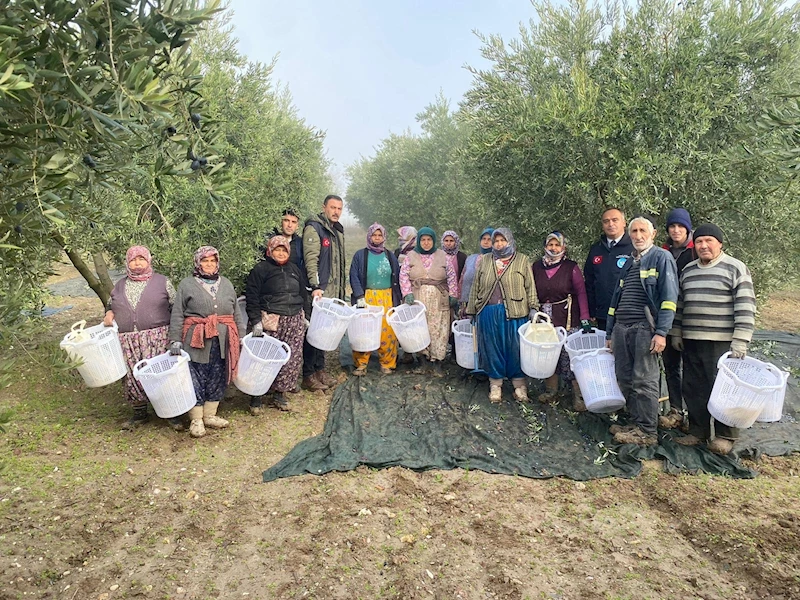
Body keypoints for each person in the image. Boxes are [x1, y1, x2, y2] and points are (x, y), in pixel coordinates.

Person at [671, 223, 756, 455]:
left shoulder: (735, 268)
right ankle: (698, 431)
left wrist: (740, 341)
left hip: (722, 342)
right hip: (692, 339)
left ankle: (725, 435)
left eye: (709, 241)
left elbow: (746, 309)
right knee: (694, 387)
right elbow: (679, 306)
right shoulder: (688, 270)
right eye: (699, 241)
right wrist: (677, 333)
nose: (704, 245)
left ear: (720, 243)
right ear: (694, 245)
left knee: (723, 390)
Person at [605, 217, 678, 447]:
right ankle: (636, 424)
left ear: (653, 233)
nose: (638, 235)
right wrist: (609, 333)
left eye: (642, 230)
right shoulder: (629, 262)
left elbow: (669, 299)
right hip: (622, 328)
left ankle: (647, 432)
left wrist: (662, 332)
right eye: (634, 231)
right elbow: (616, 299)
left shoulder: (661, 257)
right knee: (625, 378)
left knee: (644, 381)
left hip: (645, 328)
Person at [103, 245, 180, 430]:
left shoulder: (163, 282)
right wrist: (109, 314)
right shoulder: (119, 285)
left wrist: (175, 335)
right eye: (133, 260)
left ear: (148, 260)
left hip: (158, 338)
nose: (137, 263)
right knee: (132, 376)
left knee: (161, 374)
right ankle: (140, 414)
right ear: (127, 263)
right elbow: (109, 306)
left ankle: (171, 414)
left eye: (141, 259)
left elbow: (176, 308)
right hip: (129, 341)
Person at [169, 246, 241, 438]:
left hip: (223, 338)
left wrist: (241, 335)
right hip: (196, 338)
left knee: (218, 374)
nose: (209, 264)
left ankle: (210, 415)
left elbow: (236, 312)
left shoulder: (226, 283)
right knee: (196, 375)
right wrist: (175, 339)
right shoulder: (186, 285)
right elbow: (177, 313)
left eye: (212, 261)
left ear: (217, 263)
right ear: (198, 263)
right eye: (205, 261)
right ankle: (196, 419)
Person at [466, 228, 538, 403]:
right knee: (492, 348)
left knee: (515, 349)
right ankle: (496, 385)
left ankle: (519, 386)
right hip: (488, 311)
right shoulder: (485, 261)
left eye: (502, 240)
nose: (499, 244)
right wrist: (472, 309)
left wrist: (533, 306)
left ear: (509, 241)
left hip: (516, 312)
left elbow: (530, 285)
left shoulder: (522, 260)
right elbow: (476, 286)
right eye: (495, 241)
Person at [244, 236, 308, 414]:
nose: (280, 253)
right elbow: (252, 295)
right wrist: (255, 320)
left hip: (293, 320)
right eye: (277, 250)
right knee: (264, 359)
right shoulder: (261, 269)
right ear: (270, 251)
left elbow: (303, 294)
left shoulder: (294, 269)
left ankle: (279, 394)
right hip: (270, 320)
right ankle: (256, 396)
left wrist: (306, 316)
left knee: (290, 358)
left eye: (284, 250)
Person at [531, 232, 591, 410]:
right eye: (550, 245)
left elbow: (581, 292)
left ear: (563, 247)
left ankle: (579, 395)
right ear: (545, 246)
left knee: (570, 355)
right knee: (548, 354)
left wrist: (585, 317)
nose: (554, 248)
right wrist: (531, 309)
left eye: (557, 245)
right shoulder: (536, 267)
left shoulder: (571, 267)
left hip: (568, 319)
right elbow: (531, 290)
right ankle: (551, 391)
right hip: (544, 320)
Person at [399, 227, 458, 376]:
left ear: (433, 240)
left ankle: (437, 363)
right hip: (418, 300)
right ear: (419, 241)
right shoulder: (411, 256)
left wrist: (453, 294)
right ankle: (423, 362)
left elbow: (451, 276)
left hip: (439, 298)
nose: (426, 243)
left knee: (439, 329)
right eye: (423, 240)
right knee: (419, 328)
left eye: (429, 240)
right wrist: (407, 293)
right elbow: (403, 275)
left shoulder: (443, 255)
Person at [301, 194, 346, 392]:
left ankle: (320, 369)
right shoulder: (314, 228)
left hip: (333, 291)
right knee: (313, 331)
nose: (336, 212)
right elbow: (311, 259)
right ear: (324, 207)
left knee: (324, 332)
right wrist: (315, 286)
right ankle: (308, 374)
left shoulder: (336, 230)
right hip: (319, 291)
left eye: (339, 208)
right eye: (332, 207)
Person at [349, 223, 402, 376]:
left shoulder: (390, 256)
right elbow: (354, 276)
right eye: (374, 235)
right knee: (364, 329)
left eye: (380, 235)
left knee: (387, 331)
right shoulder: (360, 255)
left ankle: (386, 363)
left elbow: (397, 276)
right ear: (369, 236)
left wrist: (399, 297)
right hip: (368, 297)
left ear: (384, 237)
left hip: (387, 297)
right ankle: (361, 364)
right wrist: (359, 296)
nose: (377, 238)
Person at [659, 208, 696, 429]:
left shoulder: (695, 252)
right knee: (671, 366)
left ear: (687, 229)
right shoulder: (663, 252)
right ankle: (676, 411)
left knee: (692, 369)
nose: (675, 230)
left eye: (680, 226)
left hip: (690, 318)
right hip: (667, 318)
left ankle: (695, 415)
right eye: (672, 226)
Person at [584, 208, 633, 331]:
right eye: (606, 221)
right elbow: (589, 281)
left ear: (624, 223)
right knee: (605, 349)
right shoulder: (596, 249)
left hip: (629, 314)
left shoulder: (634, 247)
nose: (610, 224)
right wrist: (591, 309)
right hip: (603, 314)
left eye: (615, 220)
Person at [458, 227, 494, 314]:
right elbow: (462, 280)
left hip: (488, 305)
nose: (486, 242)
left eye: (489, 239)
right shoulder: (471, 258)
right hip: (467, 304)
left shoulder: (497, 260)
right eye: (483, 239)